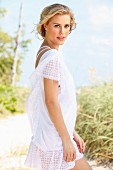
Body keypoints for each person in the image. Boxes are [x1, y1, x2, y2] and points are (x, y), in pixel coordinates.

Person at [24, 3, 92, 170]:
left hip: (53, 134)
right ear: (45, 25)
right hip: (56, 139)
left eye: (66, 26)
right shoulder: (52, 57)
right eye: (57, 26)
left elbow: (57, 100)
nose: (63, 32)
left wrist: (72, 133)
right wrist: (66, 139)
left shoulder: (44, 51)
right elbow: (51, 101)